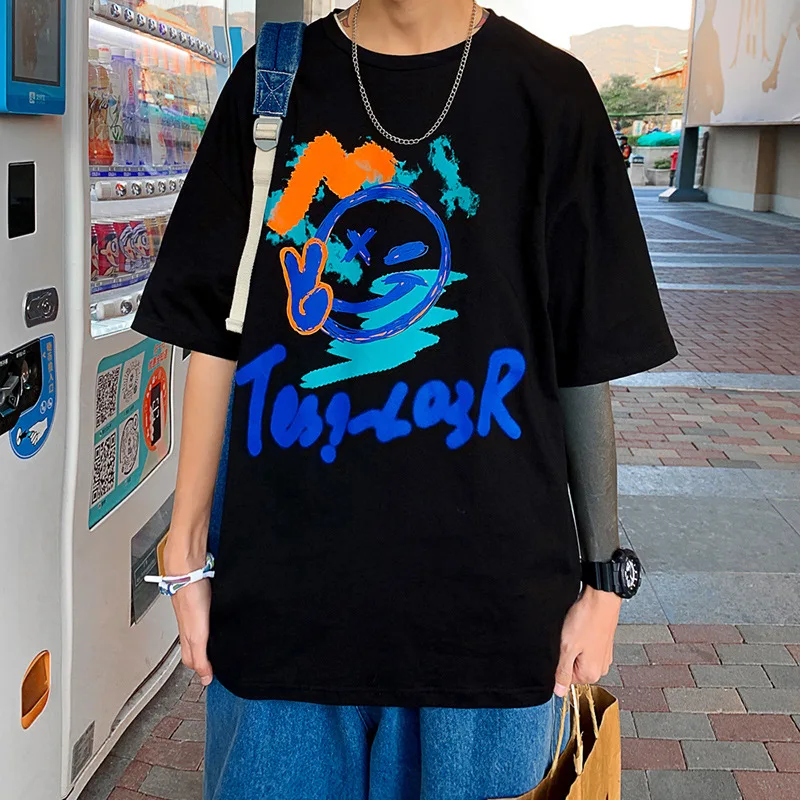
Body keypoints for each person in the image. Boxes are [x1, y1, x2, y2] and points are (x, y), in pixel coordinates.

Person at [133, 2, 676, 798]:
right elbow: (213, 330)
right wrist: (183, 553)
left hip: (490, 617)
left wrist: (603, 586)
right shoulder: (271, 85)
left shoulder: (551, 93)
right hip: (284, 602)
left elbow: (582, 357)